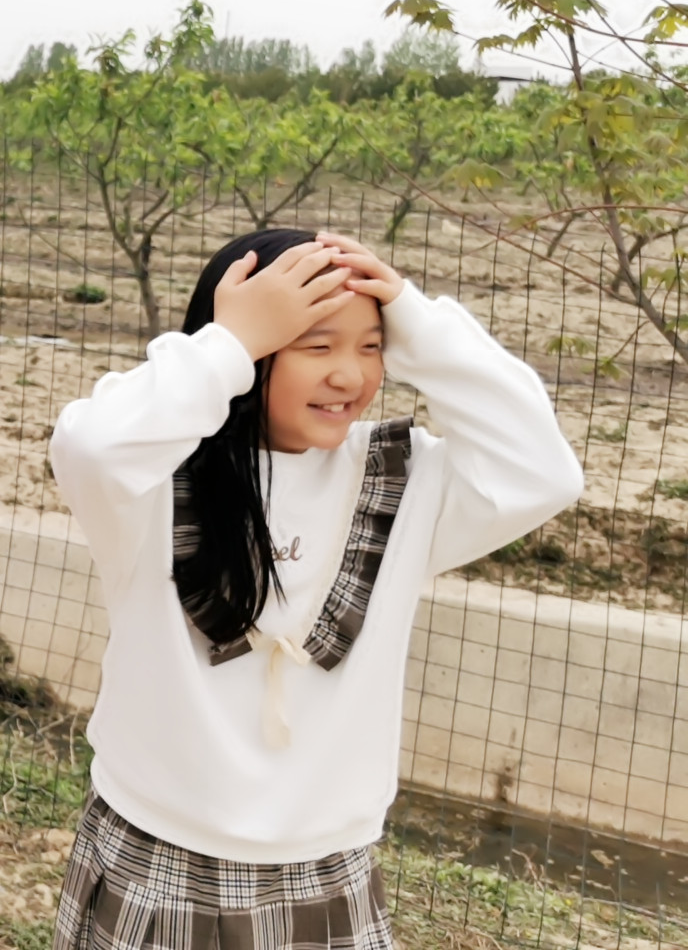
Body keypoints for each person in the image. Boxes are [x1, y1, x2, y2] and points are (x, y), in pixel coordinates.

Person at [46, 228, 582, 948]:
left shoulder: (405, 479)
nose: (350, 376)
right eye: (316, 344)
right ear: (255, 349)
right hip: (158, 858)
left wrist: (417, 322)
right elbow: (89, 445)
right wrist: (227, 344)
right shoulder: (154, 482)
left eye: (371, 347)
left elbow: (544, 471)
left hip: (328, 874)